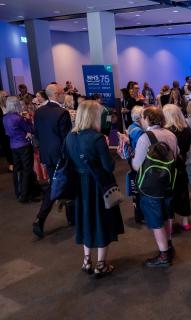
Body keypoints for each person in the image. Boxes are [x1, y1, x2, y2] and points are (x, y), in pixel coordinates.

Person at [66, 100, 124, 278]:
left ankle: (86, 260)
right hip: (99, 185)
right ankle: (101, 264)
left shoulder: (70, 136)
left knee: (86, 220)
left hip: (80, 186)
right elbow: (109, 167)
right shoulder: (97, 138)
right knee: (102, 221)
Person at [131, 107, 178, 267]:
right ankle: (169, 246)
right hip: (169, 181)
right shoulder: (171, 134)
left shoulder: (145, 138)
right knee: (167, 214)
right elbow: (176, 156)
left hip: (151, 187)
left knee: (155, 219)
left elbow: (137, 165)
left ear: (148, 118)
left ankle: (164, 255)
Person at [32, 83, 74, 238]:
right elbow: (66, 139)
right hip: (61, 156)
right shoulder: (62, 113)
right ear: (56, 94)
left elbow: (36, 133)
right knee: (61, 184)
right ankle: (41, 218)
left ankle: (68, 218)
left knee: (56, 184)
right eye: (62, 92)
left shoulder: (39, 112)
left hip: (46, 155)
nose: (64, 94)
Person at [163, 104, 191, 231]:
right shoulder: (186, 129)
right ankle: (185, 222)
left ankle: (170, 220)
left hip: (169, 166)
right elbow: (186, 148)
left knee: (169, 194)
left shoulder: (166, 132)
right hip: (182, 164)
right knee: (183, 192)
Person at [2, 97, 36, 203]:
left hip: (13, 146)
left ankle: (19, 192)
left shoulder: (5, 117)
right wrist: (28, 120)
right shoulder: (18, 118)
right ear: (16, 105)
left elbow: (7, 133)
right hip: (23, 145)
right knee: (27, 170)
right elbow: (31, 129)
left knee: (17, 170)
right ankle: (25, 195)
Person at [126, 106, 145, 223]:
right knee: (140, 190)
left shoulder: (132, 127)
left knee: (136, 190)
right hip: (138, 162)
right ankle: (141, 215)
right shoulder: (138, 131)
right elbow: (141, 147)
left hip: (132, 161)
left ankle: (139, 214)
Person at [0, 91, 14, 172]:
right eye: (5, 96)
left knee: (12, 147)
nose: (7, 97)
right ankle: (11, 164)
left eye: (8, 95)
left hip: (11, 130)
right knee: (7, 147)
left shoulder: (8, 105)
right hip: (3, 131)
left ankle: (15, 162)